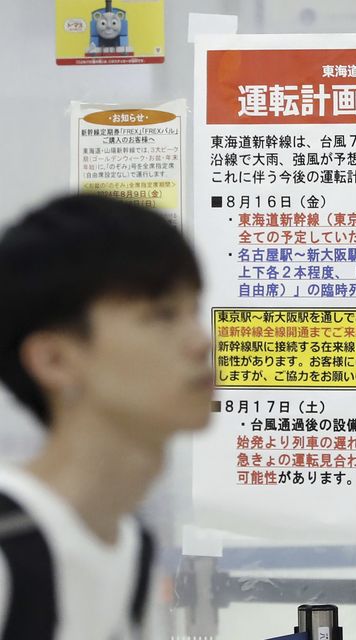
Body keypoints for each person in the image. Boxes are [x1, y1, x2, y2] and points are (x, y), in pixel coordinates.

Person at [0, 194, 213, 639]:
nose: (201, 342)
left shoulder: (130, 551)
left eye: (194, 311)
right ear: (55, 360)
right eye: (161, 315)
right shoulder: (10, 549)